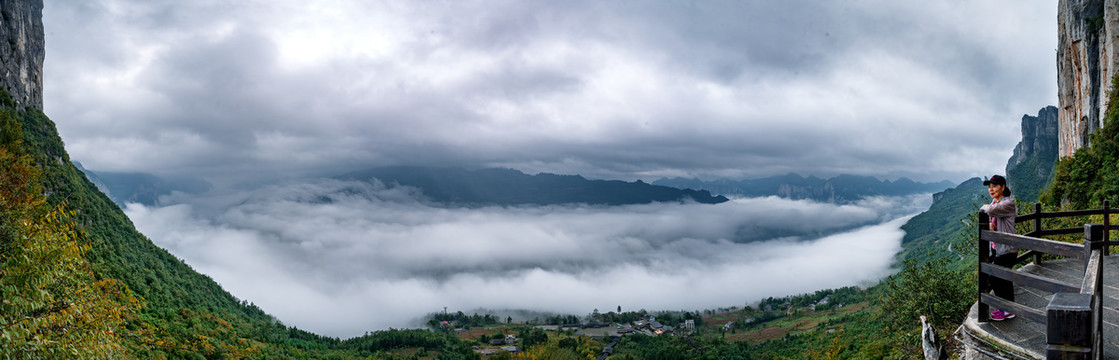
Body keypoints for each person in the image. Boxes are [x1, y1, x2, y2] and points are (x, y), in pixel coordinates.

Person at [980, 175, 1017, 321]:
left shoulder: (1008, 203)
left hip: (1007, 248)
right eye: (989, 187)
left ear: (1002, 187)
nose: (991, 189)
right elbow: (993, 223)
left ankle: (1008, 309)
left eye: (994, 186)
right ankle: (1007, 309)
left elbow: (988, 210)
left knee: (996, 278)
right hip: (998, 248)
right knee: (1003, 279)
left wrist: (984, 207)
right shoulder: (997, 202)